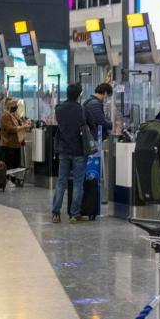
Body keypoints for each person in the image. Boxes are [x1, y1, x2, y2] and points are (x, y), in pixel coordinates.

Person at [51, 84, 90, 223]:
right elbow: (83, 125)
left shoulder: (59, 109)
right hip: (78, 149)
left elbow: (61, 125)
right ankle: (74, 214)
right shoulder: (80, 109)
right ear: (79, 94)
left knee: (61, 181)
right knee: (78, 182)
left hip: (63, 149)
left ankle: (56, 213)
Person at [0, 97, 29, 175]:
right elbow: (9, 129)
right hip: (8, 144)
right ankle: (8, 179)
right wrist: (22, 127)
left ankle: (14, 179)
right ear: (9, 106)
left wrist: (24, 123)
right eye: (14, 105)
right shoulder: (5, 116)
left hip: (16, 144)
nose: (16, 106)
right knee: (9, 164)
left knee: (16, 165)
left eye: (16, 104)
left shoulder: (15, 115)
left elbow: (21, 124)